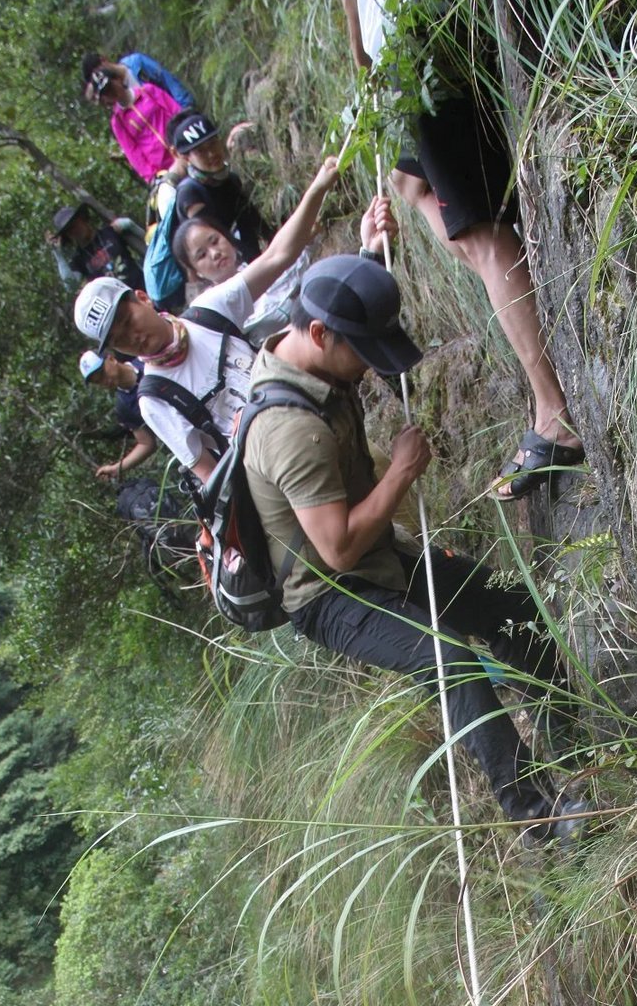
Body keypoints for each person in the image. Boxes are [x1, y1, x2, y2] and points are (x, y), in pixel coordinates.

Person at [242, 253, 585, 840]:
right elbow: (339, 550)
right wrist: (400, 472)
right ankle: (540, 816)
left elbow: (343, 298)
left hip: (380, 550)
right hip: (331, 592)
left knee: (512, 605)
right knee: (449, 663)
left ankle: (573, 748)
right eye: (365, 352)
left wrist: (369, 252)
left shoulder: (314, 349)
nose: (374, 367)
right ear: (320, 335)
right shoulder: (288, 431)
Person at [330, 0, 584, 501]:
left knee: (478, 231)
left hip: (423, 27)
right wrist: (364, 62)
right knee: (410, 183)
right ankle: (514, 317)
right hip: (396, 50)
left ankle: (555, 415)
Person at [73, 157, 346, 483]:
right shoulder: (154, 397)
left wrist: (317, 189)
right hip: (282, 475)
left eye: (128, 320)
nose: (133, 337)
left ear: (142, 299)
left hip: (321, 415)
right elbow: (207, 471)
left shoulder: (207, 312)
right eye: (119, 338)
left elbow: (277, 256)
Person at [169, 110, 269, 260]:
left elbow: (253, 222)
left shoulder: (230, 179)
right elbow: (212, 239)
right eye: (201, 151)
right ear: (186, 157)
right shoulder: (190, 193)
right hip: (217, 266)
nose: (211, 154)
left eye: (213, 144)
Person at [91, 66, 182, 185]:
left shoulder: (148, 91)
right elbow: (132, 152)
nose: (111, 93)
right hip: (165, 169)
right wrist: (152, 176)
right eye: (106, 93)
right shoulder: (118, 122)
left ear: (118, 80)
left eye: (110, 86)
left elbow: (175, 111)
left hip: (183, 147)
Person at [79, 351, 158, 481]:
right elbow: (146, 443)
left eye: (102, 374)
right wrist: (117, 468)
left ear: (111, 359)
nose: (103, 381)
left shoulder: (146, 359)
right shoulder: (124, 407)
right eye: (97, 381)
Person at [48, 204, 145, 291]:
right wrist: (58, 255)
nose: (75, 231)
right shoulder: (79, 259)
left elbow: (144, 238)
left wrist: (130, 225)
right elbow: (71, 286)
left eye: (75, 225)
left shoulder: (109, 232)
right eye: (69, 231)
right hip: (123, 304)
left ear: (82, 219)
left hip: (143, 287)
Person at [81, 50, 194, 110]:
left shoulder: (137, 62)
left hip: (179, 107)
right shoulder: (118, 97)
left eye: (99, 72)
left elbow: (167, 79)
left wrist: (185, 105)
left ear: (103, 60)